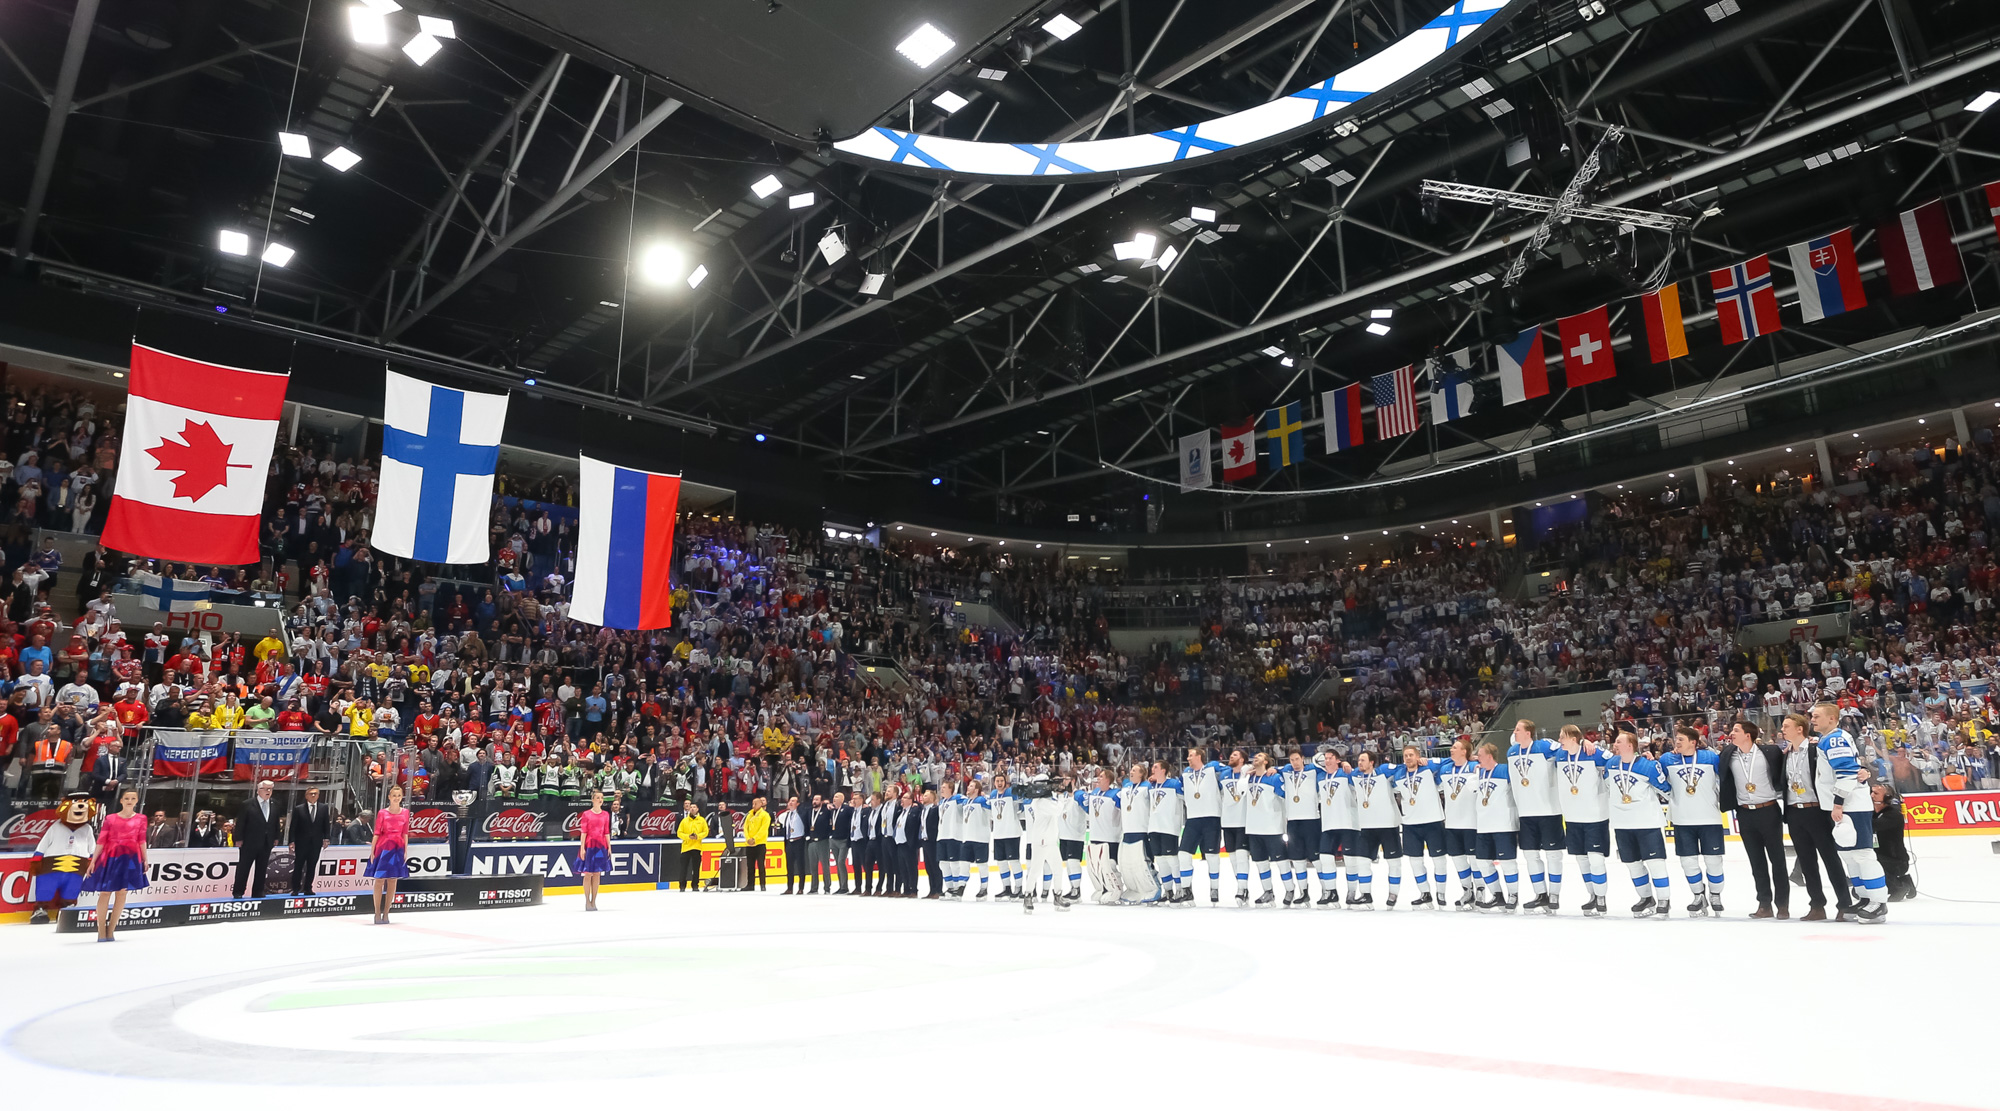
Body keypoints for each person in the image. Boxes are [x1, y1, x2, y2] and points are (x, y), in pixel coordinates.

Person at [1811, 703, 1888, 922]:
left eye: (1817, 716)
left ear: (1832, 719)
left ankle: (1878, 902)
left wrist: (1838, 803)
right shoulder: (1828, 739)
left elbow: (1846, 772)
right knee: (1848, 855)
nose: (1813, 720)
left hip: (1851, 804)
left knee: (1863, 853)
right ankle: (1864, 898)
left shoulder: (1835, 738)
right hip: (1845, 804)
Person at [1780, 712, 1850, 921]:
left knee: (1830, 859)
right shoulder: (1785, 754)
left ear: (1799, 729)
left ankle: (1845, 904)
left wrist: (1862, 771)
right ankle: (1817, 905)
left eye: (1786, 726)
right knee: (1807, 862)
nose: (1782, 729)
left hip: (1817, 810)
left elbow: (1837, 768)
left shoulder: (1815, 749)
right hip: (1794, 812)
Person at [1719, 720, 1789, 919]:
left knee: (1777, 860)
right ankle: (1764, 904)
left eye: (1735, 730)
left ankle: (1782, 904)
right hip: (1744, 814)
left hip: (1769, 810)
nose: (1731, 733)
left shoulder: (1770, 752)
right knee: (1756, 862)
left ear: (1747, 735)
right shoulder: (1728, 754)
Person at [1661, 725, 1726, 917]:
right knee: (1688, 862)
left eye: (1681, 739)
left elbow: (1724, 779)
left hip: (1710, 818)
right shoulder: (1667, 759)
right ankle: (1698, 896)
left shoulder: (1710, 757)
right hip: (1682, 820)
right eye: (1676, 739)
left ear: (1693, 743)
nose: (1676, 742)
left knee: (1714, 861)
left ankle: (1715, 895)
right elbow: (1658, 779)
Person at [1607, 728, 1673, 917]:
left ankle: (1663, 899)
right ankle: (1646, 898)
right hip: (1622, 824)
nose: (1615, 745)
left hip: (1647, 824)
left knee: (1655, 863)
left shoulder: (1648, 766)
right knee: (1632, 863)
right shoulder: (1611, 764)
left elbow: (1666, 789)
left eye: (1618, 742)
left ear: (1630, 745)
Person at [1507, 719, 1567, 913]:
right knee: (1530, 855)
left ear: (1528, 733)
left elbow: (1567, 748)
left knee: (1553, 855)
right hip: (1525, 813)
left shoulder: (1545, 746)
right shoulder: (1512, 752)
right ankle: (1540, 894)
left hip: (1549, 811)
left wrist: (1586, 743)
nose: (1514, 732)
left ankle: (1554, 895)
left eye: (1518, 729)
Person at [1554, 725, 1613, 917]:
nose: (1559, 740)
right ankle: (1592, 895)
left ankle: (1602, 897)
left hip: (1595, 816)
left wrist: (1588, 742)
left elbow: (1617, 761)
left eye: (1562, 736)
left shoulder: (1593, 752)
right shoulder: (1560, 756)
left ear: (1573, 738)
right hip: (1572, 817)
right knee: (1582, 859)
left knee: (1595, 859)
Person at [81, 787, 148, 942]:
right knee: (105, 892)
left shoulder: (141, 818)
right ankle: (101, 930)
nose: (129, 801)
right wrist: (93, 860)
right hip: (110, 857)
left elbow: (142, 840)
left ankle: (111, 929)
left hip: (130, 858)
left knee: (122, 892)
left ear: (137, 801)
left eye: (132, 798)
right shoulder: (110, 818)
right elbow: (101, 841)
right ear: (121, 800)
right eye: (127, 798)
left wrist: (145, 859)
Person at [1392, 744, 1448, 909]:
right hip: (1410, 824)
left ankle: (1441, 893)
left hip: (1433, 821)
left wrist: (1428, 760)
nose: (1408, 758)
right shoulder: (1399, 775)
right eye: (1405, 755)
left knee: (1439, 861)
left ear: (1418, 756)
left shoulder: (1428, 768)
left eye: (1411, 755)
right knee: (1415, 861)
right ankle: (1425, 894)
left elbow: (1450, 761)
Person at [1348, 750, 1404, 910]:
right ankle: (1366, 896)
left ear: (1372, 762)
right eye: (1358, 760)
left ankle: (1393, 894)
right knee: (1362, 861)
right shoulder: (1355, 776)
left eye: (1363, 760)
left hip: (1388, 824)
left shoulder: (1384, 771)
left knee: (1394, 863)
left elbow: (1404, 767)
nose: (1359, 763)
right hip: (1366, 826)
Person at [1471, 740, 1521, 912]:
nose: (1477, 758)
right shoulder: (1479, 774)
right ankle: (1497, 895)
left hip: (1503, 825)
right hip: (1483, 826)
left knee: (1507, 862)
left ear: (1490, 756)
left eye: (1480, 755)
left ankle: (1513, 895)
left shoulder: (1505, 770)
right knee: (1483, 862)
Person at [1178, 747, 1231, 905]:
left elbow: (1230, 770)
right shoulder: (1186, 773)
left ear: (1200, 756)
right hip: (1192, 819)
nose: (1188, 758)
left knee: (1212, 855)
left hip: (1211, 817)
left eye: (1191, 755)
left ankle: (1214, 888)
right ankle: (1186, 890)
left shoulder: (1212, 767)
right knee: (1183, 854)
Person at [1438, 739, 1482, 909]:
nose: (1451, 749)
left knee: (1474, 859)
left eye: (1455, 747)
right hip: (1452, 822)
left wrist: (1476, 760)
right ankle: (1467, 891)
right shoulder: (1445, 769)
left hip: (1471, 821)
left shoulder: (1474, 768)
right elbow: (1438, 768)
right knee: (1458, 859)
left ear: (1464, 752)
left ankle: (1480, 890)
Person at [1239, 752, 1284, 907]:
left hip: (1272, 827)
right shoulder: (1249, 778)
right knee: (1260, 863)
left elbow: (1285, 797)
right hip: (1253, 827)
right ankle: (1268, 892)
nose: (1255, 758)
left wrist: (1278, 769)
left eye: (1259, 756)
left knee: (1282, 862)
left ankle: (1290, 890)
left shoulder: (1274, 777)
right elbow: (1240, 792)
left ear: (1266, 761)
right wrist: (1245, 776)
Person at [1278, 749, 1319, 908]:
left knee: (1316, 859)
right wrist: (1274, 769)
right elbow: (1277, 769)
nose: (1294, 763)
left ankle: (1327, 891)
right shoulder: (1286, 772)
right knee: (1297, 859)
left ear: (1303, 759)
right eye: (1291, 760)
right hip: (1293, 821)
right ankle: (1304, 892)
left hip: (1311, 820)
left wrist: (1343, 762)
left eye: (1297, 759)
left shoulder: (1313, 771)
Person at [365, 782, 410, 924]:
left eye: (399, 796)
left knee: (392, 880)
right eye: (394, 795)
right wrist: (372, 850)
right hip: (383, 847)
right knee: (379, 880)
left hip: (398, 848)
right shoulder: (382, 813)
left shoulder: (405, 813)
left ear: (402, 797)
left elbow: (405, 833)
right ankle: (377, 912)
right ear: (389, 797)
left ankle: (386, 913)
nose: (396, 798)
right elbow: (377, 832)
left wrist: (405, 851)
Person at [1145, 761, 1188, 904]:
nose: (1152, 769)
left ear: (1163, 770)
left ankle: (1180, 889)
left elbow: (1186, 799)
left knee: (1172, 859)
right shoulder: (1151, 786)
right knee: (1161, 860)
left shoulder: (1174, 784)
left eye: (1156, 767)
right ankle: (1168, 891)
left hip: (1169, 827)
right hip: (1154, 827)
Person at [232, 779, 281, 898]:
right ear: (259, 790)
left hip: (266, 842)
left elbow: (275, 823)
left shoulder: (275, 804)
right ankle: (238, 892)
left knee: (262, 868)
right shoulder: (247, 804)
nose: (268, 791)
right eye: (266, 789)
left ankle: (258, 892)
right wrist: (238, 838)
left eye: (270, 789)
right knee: (244, 868)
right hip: (249, 842)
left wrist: (276, 837)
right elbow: (241, 823)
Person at [1082, 768, 1123, 904]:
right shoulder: (1094, 792)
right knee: (1097, 866)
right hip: (1095, 834)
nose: (1098, 778)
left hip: (1110, 836)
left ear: (1108, 780)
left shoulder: (1116, 794)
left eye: (1101, 776)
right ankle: (1104, 888)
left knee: (1110, 864)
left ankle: (1116, 889)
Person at [1869, 783, 1915, 900]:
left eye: (1876, 793)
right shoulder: (1873, 813)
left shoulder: (1893, 815)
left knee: (1871, 862)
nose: (1871, 795)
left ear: (1887, 797)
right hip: (1882, 857)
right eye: (1871, 792)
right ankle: (1904, 881)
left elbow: (1874, 826)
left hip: (1896, 861)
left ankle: (1898, 887)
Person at [289, 786, 332, 896]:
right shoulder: (299, 809)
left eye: (315, 793)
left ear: (318, 795)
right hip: (301, 842)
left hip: (316, 842)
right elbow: (293, 826)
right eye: (311, 793)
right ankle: (295, 889)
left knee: (312, 866)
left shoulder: (323, 808)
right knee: (298, 866)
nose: (313, 795)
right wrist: (291, 841)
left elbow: (326, 824)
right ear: (306, 795)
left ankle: (308, 888)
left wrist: (326, 838)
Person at [987, 774, 1023, 898]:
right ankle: (1006, 887)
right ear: (994, 783)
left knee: (1014, 861)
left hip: (1012, 833)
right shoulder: (992, 795)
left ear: (1005, 782)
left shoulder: (1010, 792)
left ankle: (1019, 887)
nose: (999, 783)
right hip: (998, 834)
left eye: (1002, 780)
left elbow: (1020, 800)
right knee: (1001, 862)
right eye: (997, 781)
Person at [577, 789, 612, 911]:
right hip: (589, 845)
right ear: (593, 800)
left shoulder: (606, 815)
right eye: (598, 797)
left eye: (601, 798)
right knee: (588, 874)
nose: (600, 800)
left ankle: (594, 900)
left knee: (597, 873)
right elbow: (584, 832)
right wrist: (582, 848)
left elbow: (606, 831)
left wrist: (609, 846)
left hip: (601, 846)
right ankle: (587, 900)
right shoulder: (586, 814)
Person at [959, 780, 992, 898]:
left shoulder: (981, 800)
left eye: (971, 786)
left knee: (982, 864)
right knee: (963, 863)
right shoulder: (966, 802)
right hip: (967, 837)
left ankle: (984, 888)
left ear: (977, 790)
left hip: (980, 838)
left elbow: (991, 810)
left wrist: (987, 797)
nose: (968, 787)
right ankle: (961, 886)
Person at [677, 799, 709, 892]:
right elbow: (679, 833)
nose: (692, 808)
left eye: (694, 807)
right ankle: (682, 886)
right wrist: (688, 837)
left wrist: (698, 836)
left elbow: (706, 832)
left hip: (696, 847)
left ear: (697, 809)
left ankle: (695, 885)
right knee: (683, 868)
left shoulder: (702, 820)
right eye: (691, 807)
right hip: (686, 847)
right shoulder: (684, 821)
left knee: (696, 868)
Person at [780, 796, 807, 894]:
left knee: (800, 866)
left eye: (793, 801)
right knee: (789, 866)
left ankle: (801, 888)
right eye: (789, 801)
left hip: (799, 841)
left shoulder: (801, 813)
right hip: (789, 842)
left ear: (798, 804)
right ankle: (790, 888)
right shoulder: (787, 815)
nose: (790, 803)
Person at [743, 796, 771, 892]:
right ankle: (750, 884)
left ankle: (762, 884)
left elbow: (763, 829)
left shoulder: (765, 815)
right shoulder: (749, 815)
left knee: (760, 865)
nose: (753, 805)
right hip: (749, 844)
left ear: (761, 804)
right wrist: (748, 839)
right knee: (750, 866)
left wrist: (755, 838)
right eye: (753, 803)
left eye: (755, 803)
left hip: (760, 843)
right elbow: (745, 827)